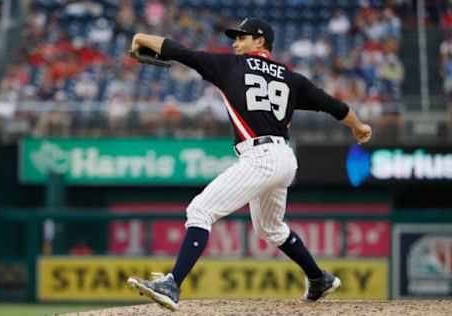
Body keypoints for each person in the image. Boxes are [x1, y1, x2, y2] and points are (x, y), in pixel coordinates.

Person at [127, 17, 372, 311]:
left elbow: (179, 52)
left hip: (261, 157)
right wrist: (358, 126)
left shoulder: (231, 66)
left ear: (260, 41)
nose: (235, 42)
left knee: (201, 210)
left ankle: (172, 284)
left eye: (242, 37)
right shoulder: (291, 78)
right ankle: (319, 278)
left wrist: (142, 36)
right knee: (269, 228)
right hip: (284, 157)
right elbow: (334, 105)